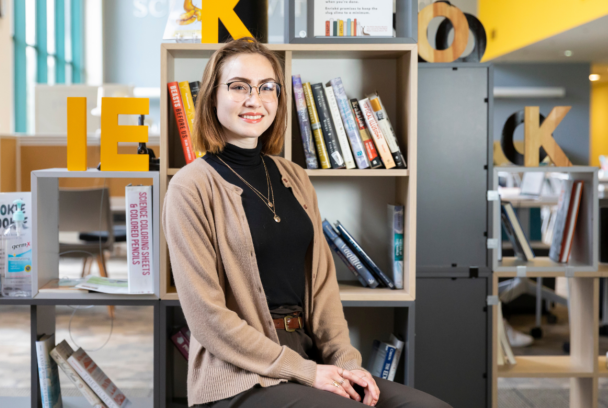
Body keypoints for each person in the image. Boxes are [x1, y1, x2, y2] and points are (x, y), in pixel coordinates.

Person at [161, 37, 451, 408]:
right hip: (239, 375)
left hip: (311, 358)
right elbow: (207, 319)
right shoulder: (190, 186)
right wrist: (305, 371)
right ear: (212, 97)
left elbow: (325, 290)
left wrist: (346, 363)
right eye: (238, 87)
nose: (255, 99)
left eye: (267, 88)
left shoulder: (294, 177)